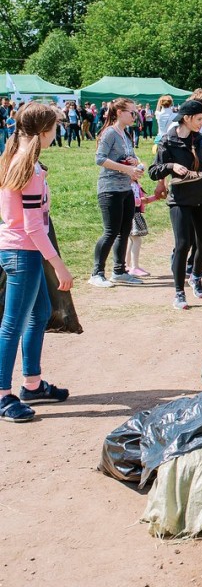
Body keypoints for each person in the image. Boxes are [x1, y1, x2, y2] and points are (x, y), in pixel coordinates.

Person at [0, 102, 74, 422]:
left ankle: (32, 384)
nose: (56, 132)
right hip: (23, 252)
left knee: (41, 311)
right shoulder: (26, 167)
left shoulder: (23, 161)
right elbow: (32, 226)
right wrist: (58, 264)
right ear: (44, 132)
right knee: (12, 324)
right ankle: (3, 396)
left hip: (23, 250)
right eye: (55, 127)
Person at [149, 100, 202, 311]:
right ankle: (179, 292)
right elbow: (154, 171)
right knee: (183, 244)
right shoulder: (168, 141)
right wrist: (171, 166)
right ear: (186, 118)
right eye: (198, 119)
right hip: (180, 199)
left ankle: (195, 276)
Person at [90, 98, 143, 288]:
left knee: (124, 230)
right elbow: (99, 159)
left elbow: (131, 157)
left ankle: (119, 271)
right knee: (111, 231)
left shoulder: (125, 134)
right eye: (132, 112)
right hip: (109, 189)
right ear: (120, 112)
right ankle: (96, 273)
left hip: (125, 188)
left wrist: (135, 162)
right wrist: (126, 168)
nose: (134, 116)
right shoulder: (110, 133)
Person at [126, 178, 158, 277]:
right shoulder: (126, 183)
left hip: (134, 214)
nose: (140, 174)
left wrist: (157, 197)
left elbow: (144, 201)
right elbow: (128, 199)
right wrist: (140, 200)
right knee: (136, 240)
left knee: (132, 240)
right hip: (131, 214)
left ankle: (126, 265)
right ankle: (134, 267)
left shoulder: (135, 184)